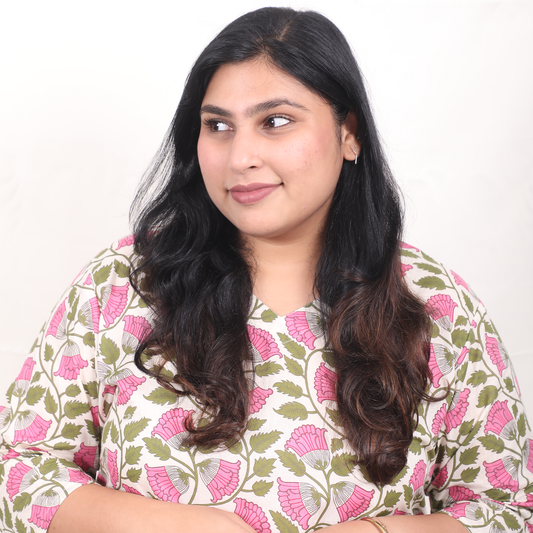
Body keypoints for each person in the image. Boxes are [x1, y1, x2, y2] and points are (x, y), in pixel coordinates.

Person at [0, 7, 531, 533]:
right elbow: (17, 471)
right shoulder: (124, 283)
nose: (240, 157)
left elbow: (508, 509)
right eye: (218, 126)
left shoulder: (434, 304)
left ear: (349, 132)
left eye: (275, 122)